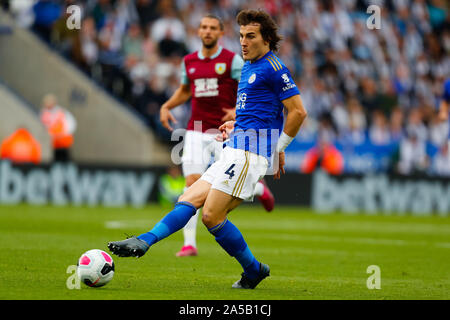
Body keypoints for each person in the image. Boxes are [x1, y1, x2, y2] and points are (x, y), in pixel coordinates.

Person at [108, 9, 307, 289]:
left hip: (250, 154)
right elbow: (258, 113)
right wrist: (234, 126)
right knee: (189, 197)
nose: (243, 42)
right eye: (241, 36)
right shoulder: (249, 65)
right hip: (235, 146)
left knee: (212, 216)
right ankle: (145, 240)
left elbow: (298, 112)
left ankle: (252, 270)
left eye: (250, 36)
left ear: (267, 39)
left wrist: (278, 147)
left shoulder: (274, 68)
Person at [158, 14, 275, 257]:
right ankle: (189, 243)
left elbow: (250, 87)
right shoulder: (189, 61)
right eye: (204, 27)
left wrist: (236, 110)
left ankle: (258, 189)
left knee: (220, 186)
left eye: (213, 28)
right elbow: (184, 90)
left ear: (221, 33)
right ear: (198, 32)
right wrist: (167, 105)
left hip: (226, 133)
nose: (208, 31)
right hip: (195, 130)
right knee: (192, 186)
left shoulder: (232, 61)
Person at [39, 94, 77, 162]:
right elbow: (47, 126)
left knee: (66, 158)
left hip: (64, 140)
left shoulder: (61, 111)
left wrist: (66, 133)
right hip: (56, 142)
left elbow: (71, 123)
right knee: (57, 158)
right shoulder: (45, 113)